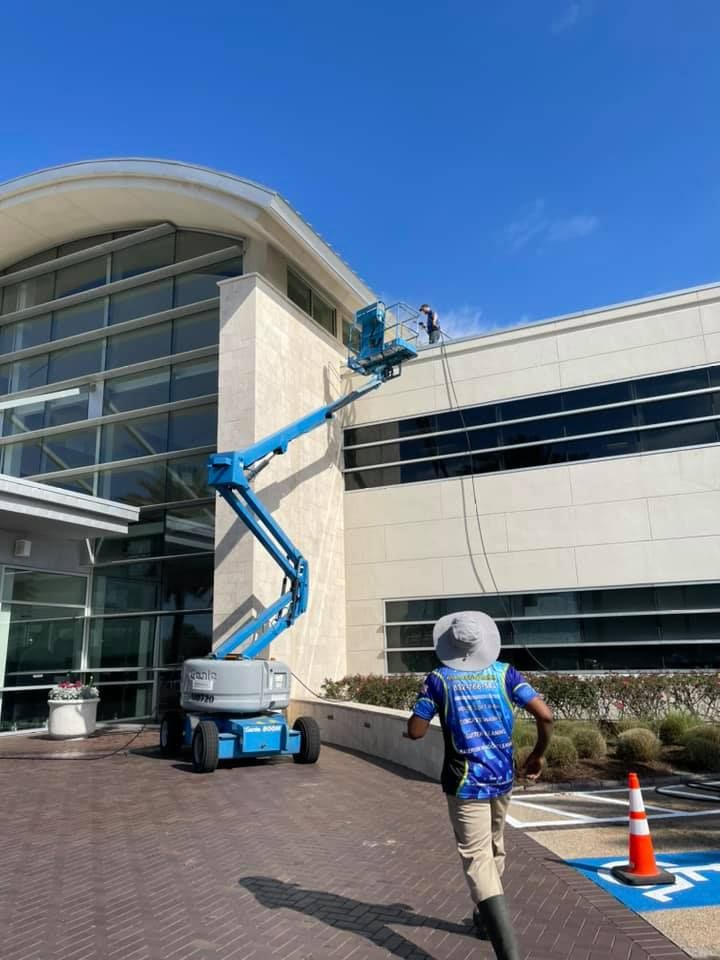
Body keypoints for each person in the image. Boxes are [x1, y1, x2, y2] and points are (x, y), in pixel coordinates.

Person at [406, 610, 553, 960]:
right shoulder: (505, 674)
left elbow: (416, 731)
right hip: (502, 778)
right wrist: (537, 755)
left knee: (477, 859)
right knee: (495, 846)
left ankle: (509, 952)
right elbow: (545, 715)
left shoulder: (439, 680)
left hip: (465, 782)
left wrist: (420, 713)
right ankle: (484, 918)